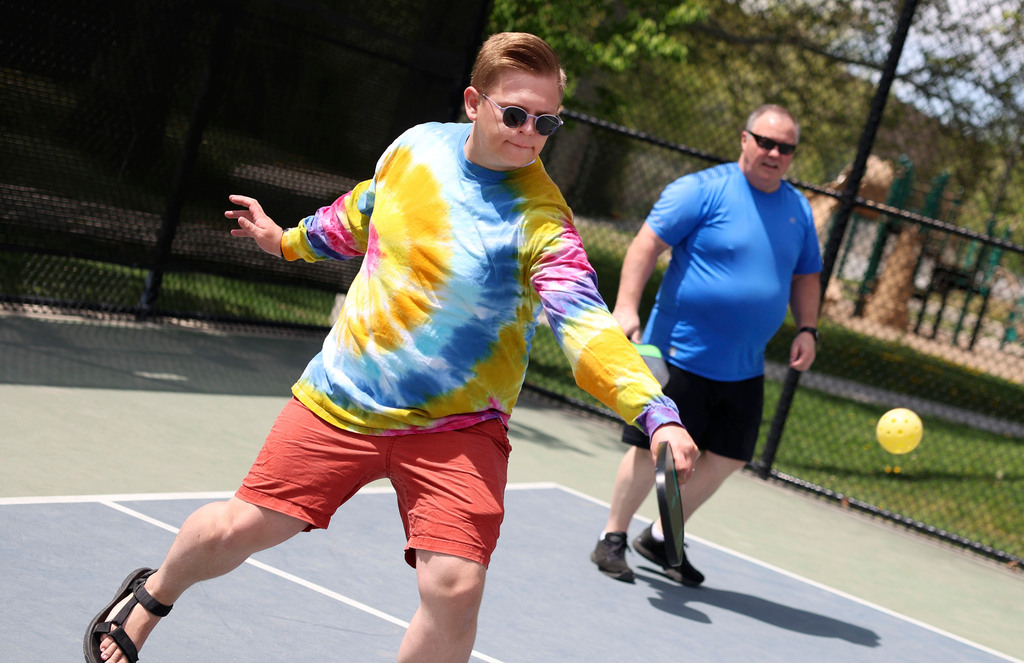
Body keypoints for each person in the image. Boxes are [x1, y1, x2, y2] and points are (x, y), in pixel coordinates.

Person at [85, 32, 699, 663]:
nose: (528, 131)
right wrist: (287, 241)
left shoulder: (541, 220)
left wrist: (655, 414)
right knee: (238, 529)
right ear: (473, 102)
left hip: (456, 426)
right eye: (514, 113)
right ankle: (150, 599)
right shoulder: (416, 148)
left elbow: (585, 327)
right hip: (345, 395)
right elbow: (365, 211)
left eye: (546, 122)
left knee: (455, 585)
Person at [590, 104, 822, 586]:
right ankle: (612, 538)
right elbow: (645, 245)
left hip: (743, 365)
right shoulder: (701, 190)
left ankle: (660, 536)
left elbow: (806, 275)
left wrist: (808, 328)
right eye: (766, 141)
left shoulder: (798, 209)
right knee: (653, 449)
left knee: (731, 454)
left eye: (786, 147)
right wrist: (627, 307)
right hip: (677, 352)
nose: (774, 153)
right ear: (744, 139)